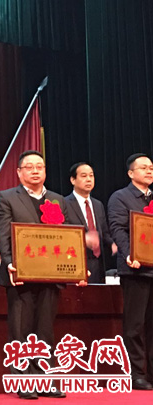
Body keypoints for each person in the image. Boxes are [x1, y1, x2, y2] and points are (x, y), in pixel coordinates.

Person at [0, 150, 68, 400]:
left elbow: (68, 235)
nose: (35, 171)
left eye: (39, 167)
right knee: (21, 330)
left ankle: (45, 381)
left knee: (45, 330)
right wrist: (9, 262)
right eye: (29, 167)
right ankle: (23, 380)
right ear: (19, 172)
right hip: (20, 275)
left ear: (45, 170)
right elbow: (3, 234)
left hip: (50, 274)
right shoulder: (7, 197)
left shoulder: (58, 199)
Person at [108, 153, 153, 390]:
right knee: (135, 324)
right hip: (135, 269)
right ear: (130, 173)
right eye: (143, 168)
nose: (149, 171)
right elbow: (118, 229)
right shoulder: (120, 197)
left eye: (151, 167)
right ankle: (137, 373)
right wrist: (128, 254)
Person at [65, 162, 116, 283]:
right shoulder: (65, 204)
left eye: (91, 175)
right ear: (73, 180)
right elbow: (63, 234)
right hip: (76, 263)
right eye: (84, 176)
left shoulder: (98, 204)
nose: (88, 179)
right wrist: (83, 238)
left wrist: (113, 244)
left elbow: (104, 232)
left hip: (99, 264)